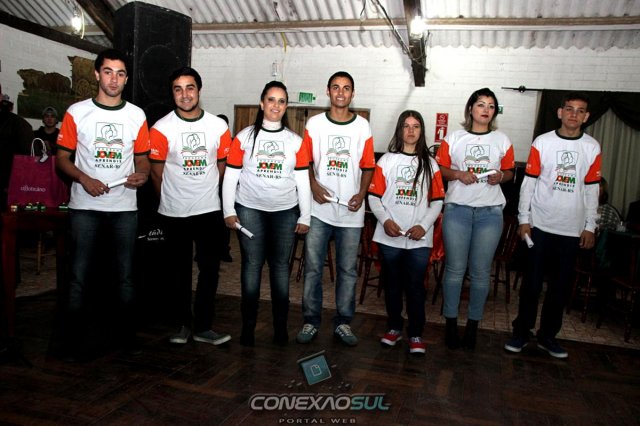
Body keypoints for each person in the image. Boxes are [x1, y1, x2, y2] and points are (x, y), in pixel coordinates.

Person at [56, 48, 150, 357]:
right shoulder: (77, 112)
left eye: (120, 73)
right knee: (79, 276)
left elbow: (143, 160)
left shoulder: (136, 115)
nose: (114, 79)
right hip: (85, 208)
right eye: (108, 72)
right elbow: (62, 159)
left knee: (125, 276)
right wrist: (83, 178)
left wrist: (142, 174)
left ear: (126, 79)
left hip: (124, 209)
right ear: (97, 74)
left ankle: (124, 340)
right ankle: (71, 340)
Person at [505, 91, 601, 359]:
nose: (573, 114)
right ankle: (521, 333)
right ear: (560, 112)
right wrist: (524, 220)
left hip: (572, 231)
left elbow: (592, 189)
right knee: (531, 286)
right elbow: (529, 184)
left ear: (586, 116)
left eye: (579, 110)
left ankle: (547, 337)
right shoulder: (543, 142)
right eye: (569, 109)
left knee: (559, 289)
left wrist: (590, 225)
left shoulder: (592, 147)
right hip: (540, 227)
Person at [222, 81, 311, 346]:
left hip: (285, 213)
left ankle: (280, 329)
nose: (275, 105)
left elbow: (303, 182)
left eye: (281, 101)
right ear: (262, 103)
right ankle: (248, 328)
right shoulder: (243, 138)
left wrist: (305, 215)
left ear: (286, 106)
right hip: (249, 210)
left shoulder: (295, 142)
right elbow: (231, 176)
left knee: (280, 268)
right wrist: (228, 210)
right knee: (251, 266)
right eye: (271, 100)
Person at [149, 67, 232, 346]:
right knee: (178, 271)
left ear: (199, 90)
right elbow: (156, 173)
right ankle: (182, 324)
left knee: (209, 270)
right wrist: (169, 199)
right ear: (172, 93)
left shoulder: (218, 126)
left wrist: (207, 192)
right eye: (178, 89)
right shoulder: (160, 128)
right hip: (173, 212)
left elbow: (222, 167)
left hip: (208, 209)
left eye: (190, 87)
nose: (185, 94)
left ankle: (204, 327)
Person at [296, 71, 375, 346]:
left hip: (351, 213)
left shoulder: (362, 126)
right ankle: (311, 320)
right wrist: (313, 185)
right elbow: (304, 162)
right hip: (320, 209)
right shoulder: (314, 124)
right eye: (336, 87)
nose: (341, 92)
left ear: (353, 93)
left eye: (346, 88)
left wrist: (362, 194)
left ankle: (343, 322)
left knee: (348, 271)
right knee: (313, 268)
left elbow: (368, 166)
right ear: (328, 91)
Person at [436, 88, 515, 350]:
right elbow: (440, 169)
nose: (485, 110)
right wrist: (458, 175)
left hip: (490, 213)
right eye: (481, 104)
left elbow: (510, 172)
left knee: (481, 272)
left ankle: (472, 327)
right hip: (457, 210)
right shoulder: (453, 137)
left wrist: (501, 176)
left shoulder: (502, 140)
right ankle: (450, 323)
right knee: (455, 270)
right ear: (471, 108)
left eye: (491, 106)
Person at [368, 110, 445, 354]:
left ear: (422, 131)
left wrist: (424, 225)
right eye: (406, 126)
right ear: (399, 130)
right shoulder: (386, 161)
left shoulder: (431, 164)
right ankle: (394, 327)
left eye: (416, 126)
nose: (411, 131)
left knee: (415, 287)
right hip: (389, 237)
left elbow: (438, 201)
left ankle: (415, 333)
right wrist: (385, 220)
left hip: (419, 240)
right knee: (392, 285)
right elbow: (374, 197)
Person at [0, 84, 34, 209]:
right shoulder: (19, 124)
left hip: (7, 186)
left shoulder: (18, 124)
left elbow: (27, 158)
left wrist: (14, 183)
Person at [217, 113, 233, 263]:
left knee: (225, 220)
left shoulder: (232, 142)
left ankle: (224, 250)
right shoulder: (210, 140)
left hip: (226, 186)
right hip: (210, 186)